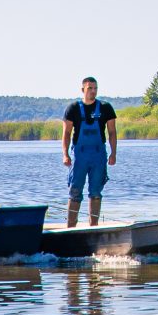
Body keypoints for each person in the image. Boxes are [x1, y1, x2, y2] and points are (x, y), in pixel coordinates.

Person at [61, 77, 119, 228]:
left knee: (96, 192)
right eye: (90, 88)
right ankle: (70, 228)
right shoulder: (73, 108)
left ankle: (94, 227)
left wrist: (113, 153)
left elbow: (112, 132)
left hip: (98, 155)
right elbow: (66, 133)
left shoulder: (106, 108)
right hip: (79, 155)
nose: (93, 91)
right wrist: (65, 154)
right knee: (75, 191)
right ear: (83, 90)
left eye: (95, 88)